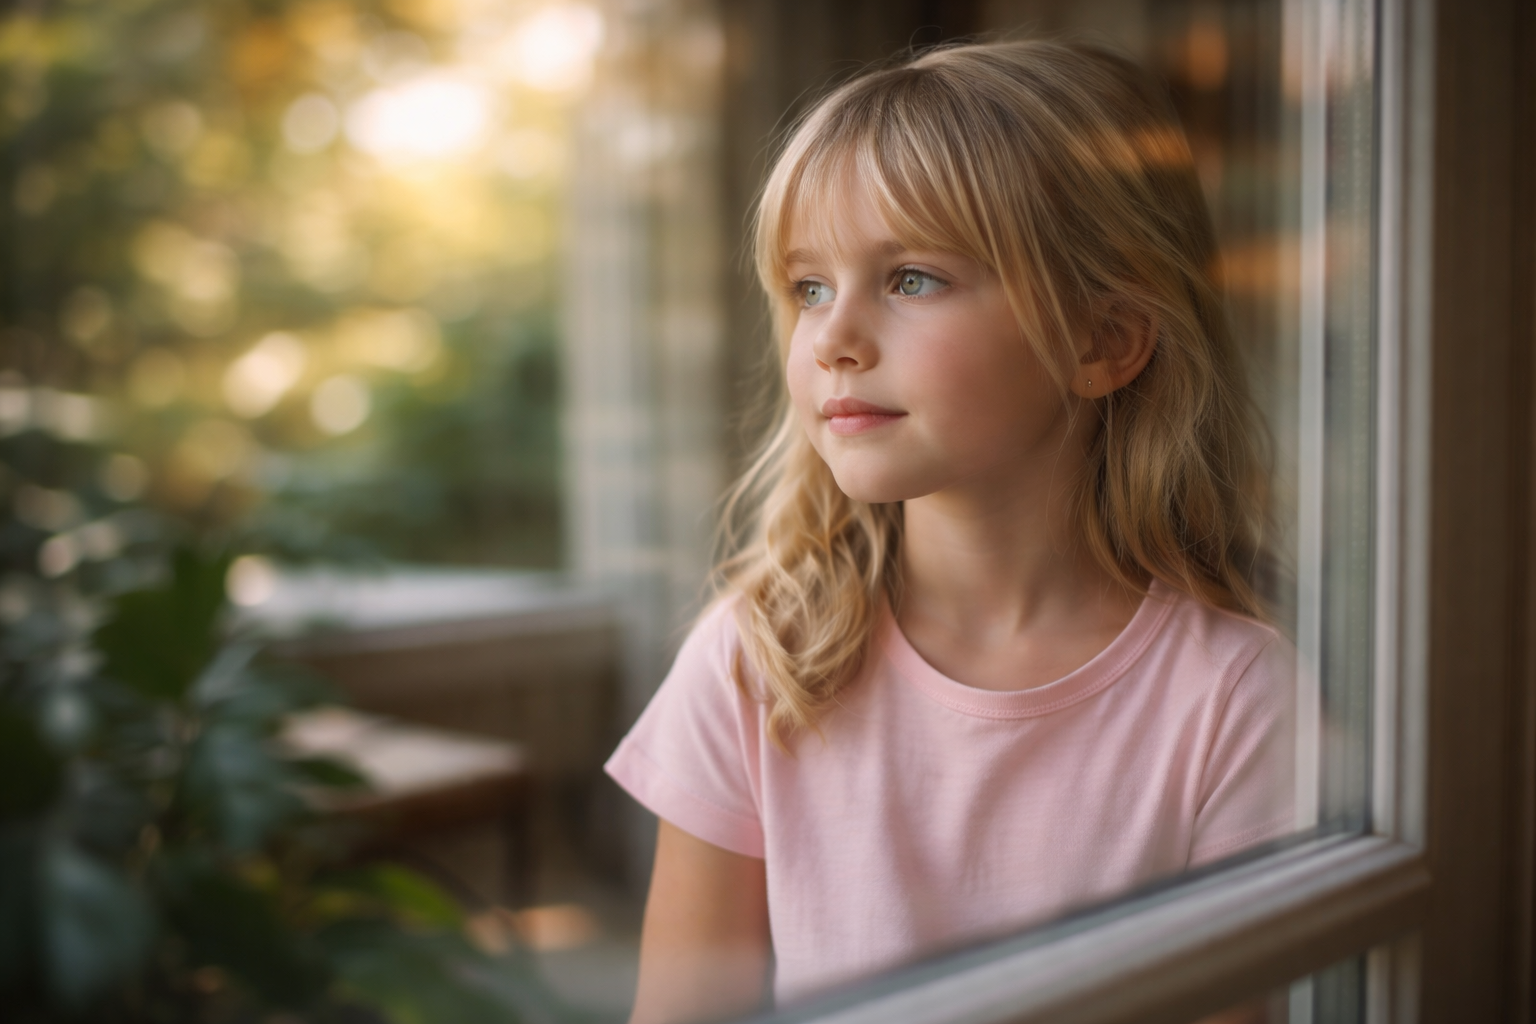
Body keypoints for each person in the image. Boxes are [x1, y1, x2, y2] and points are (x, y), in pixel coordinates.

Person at [605, 38, 1296, 1024]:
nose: (835, 337)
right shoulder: (760, 658)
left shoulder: (1233, 695)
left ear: (1102, 340)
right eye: (808, 287)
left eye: (913, 278)